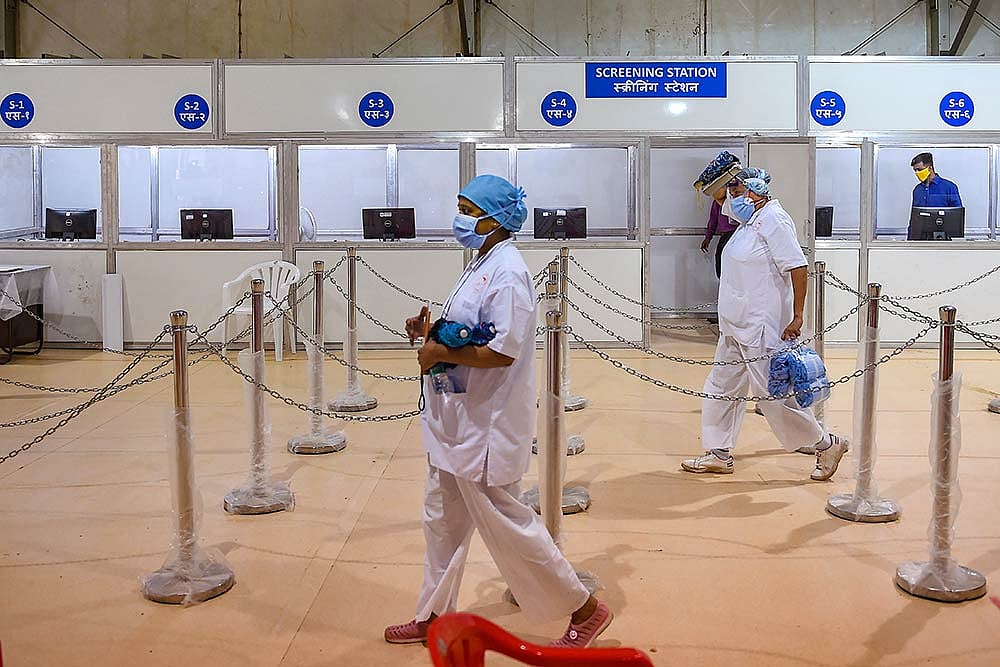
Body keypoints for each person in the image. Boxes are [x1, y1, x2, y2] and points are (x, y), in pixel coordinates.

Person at [385, 174, 612, 649]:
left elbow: (503, 351)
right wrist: (433, 334)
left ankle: (585, 609)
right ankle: (432, 614)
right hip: (454, 421)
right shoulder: (481, 262)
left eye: (467, 209)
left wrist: (438, 356)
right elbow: (473, 331)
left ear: (493, 218)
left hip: (484, 425)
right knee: (441, 521)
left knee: (508, 524)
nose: (460, 218)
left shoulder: (508, 272)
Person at [680, 171, 849, 479]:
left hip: (762, 326)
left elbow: (798, 267)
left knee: (773, 398)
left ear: (754, 193)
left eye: (736, 190)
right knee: (721, 387)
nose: (730, 198)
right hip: (734, 326)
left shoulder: (774, 219)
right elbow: (714, 194)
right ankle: (718, 452)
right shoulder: (748, 220)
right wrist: (725, 176)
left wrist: (797, 316)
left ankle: (827, 444)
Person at [909, 152, 962, 240]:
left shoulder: (949, 187)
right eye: (915, 170)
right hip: (919, 239)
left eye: (919, 169)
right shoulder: (917, 190)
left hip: (941, 239)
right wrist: (910, 240)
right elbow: (914, 218)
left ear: (930, 168)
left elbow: (957, 216)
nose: (917, 173)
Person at [701, 180, 741, 279]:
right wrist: (708, 237)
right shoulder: (718, 203)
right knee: (721, 265)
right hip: (726, 235)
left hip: (738, 234)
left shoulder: (739, 202)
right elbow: (713, 219)